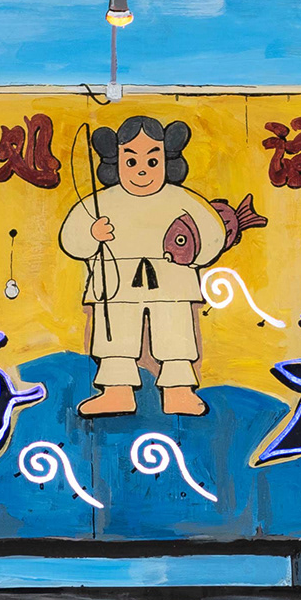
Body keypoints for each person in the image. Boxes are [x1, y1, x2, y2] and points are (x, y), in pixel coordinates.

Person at [58, 115, 257, 419]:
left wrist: (193, 248)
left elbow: (213, 234)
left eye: (152, 161)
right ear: (115, 162)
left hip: (172, 283)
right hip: (115, 286)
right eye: (131, 161)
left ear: (167, 161)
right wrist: (92, 234)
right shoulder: (100, 202)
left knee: (175, 336)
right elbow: (71, 239)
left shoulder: (182, 199)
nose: (142, 170)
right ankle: (116, 391)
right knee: (114, 338)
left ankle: (179, 391)